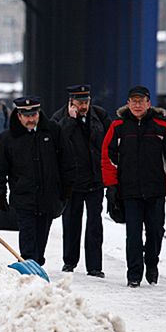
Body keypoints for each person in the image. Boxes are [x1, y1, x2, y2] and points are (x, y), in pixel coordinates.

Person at [102, 85, 166, 288]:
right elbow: (108, 158)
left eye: (141, 101)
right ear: (128, 103)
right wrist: (111, 186)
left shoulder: (162, 126)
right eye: (134, 101)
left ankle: (152, 264)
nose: (137, 105)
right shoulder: (118, 127)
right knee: (133, 235)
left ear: (149, 103)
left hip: (156, 190)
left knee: (156, 231)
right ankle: (134, 274)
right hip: (129, 191)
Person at [0, 97, 76, 266]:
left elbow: (68, 161)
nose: (30, 119)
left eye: (33, 115)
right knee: (28, 236)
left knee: (41, 238)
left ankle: (36, 263)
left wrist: (66, 190)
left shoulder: (53, 132)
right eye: (26, 115)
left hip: (48, 196)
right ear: (19, 116)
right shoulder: (7, 138)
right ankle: (29, 266)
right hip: (23, 197)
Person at [51, 84, 111, 278]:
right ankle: (69, 261)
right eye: (79, 102)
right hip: (72, 182)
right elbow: (55, 141)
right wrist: (71, 120)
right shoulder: (60, 117)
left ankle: (94, 266)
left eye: (86, 102)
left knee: (94, 224)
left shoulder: (99, 116)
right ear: (71, 102)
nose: (83, 106)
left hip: (95, 180)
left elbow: (109, 142)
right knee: (71, 222)